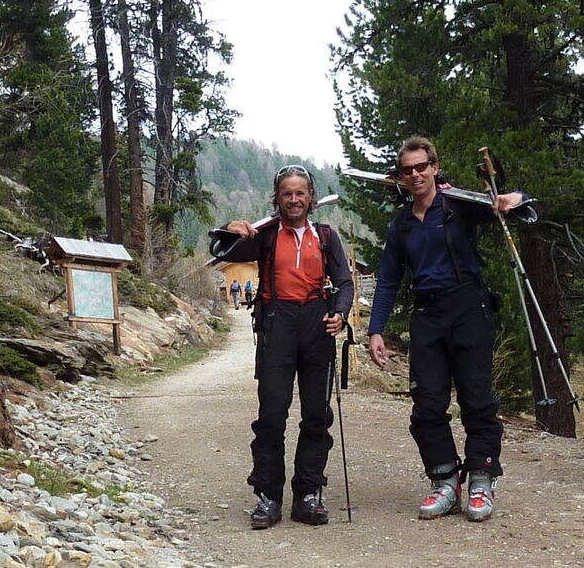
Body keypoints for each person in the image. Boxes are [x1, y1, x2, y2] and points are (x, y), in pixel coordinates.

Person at [365, 137, 527, 523]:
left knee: (477, 398)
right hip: (427, 314)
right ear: (400, 177)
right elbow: (388, 280)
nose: (416, 174)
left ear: (435, 168)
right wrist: (376, 330)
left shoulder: (458, 205)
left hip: (469, 306)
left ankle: (482, 479)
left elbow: (514, 203)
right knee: (426, 403)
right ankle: (444, 480)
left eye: (422, 167)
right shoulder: (401, 226)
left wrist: (511, 199)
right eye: (408, 170)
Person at [210, 165, 354, 529]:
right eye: (287, 193)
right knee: (272, 415)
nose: (294, 199)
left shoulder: (326, 236)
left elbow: (344, 282)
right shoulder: (265, 235)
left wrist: (340, 313)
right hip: (277, 323)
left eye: (300, 193)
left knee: (317, 415)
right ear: (277, 198)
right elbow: (220, 248)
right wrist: (231, 227)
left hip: (317, 324)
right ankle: (268, 496)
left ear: (311, 197)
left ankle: (308, 494)